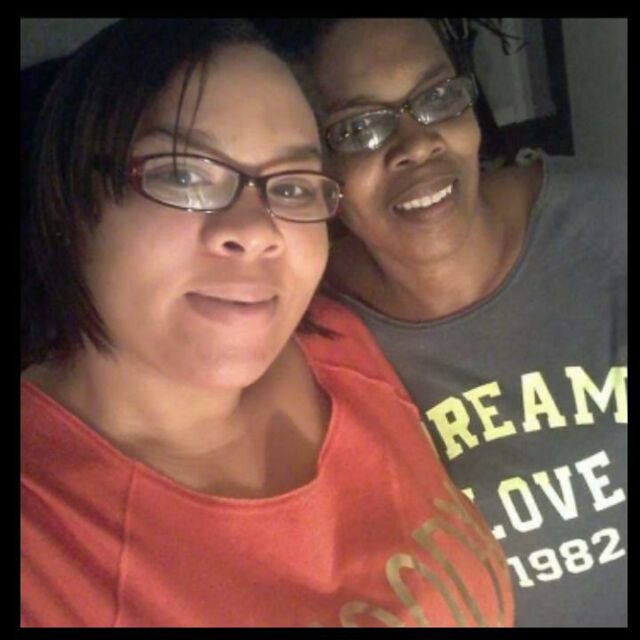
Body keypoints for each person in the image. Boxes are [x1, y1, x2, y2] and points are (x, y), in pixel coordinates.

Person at [20, 19, 514, 627]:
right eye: (183, 174)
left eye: (294, 186)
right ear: (70, 199)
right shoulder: (43, 545)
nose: (256, 231)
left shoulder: (339, 339)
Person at [298, 18, 627, 627]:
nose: (417, 143)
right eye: (360, 128)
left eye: (437, 97)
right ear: (317, 167)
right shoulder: (305, 336)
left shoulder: (608, 227)